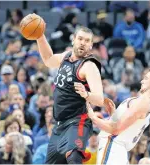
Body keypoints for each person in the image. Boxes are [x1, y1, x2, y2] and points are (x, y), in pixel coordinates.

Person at [23, 13, 104, 164]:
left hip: (77, 121)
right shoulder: (66, 57)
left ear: (91, 46)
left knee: (73, 157)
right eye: (80, 39)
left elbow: (99, 99)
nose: (82, 43)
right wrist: (40, 36)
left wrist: (86, 94)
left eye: (87, 41)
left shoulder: (89, 66)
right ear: (74, 39)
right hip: (59, 125)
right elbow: (48, 60)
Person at [87, 66, 150, 165]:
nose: (142, 81)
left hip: (113, 146)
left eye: (146, 78)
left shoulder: (144, 102)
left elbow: (115, 130)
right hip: (119, 150)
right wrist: (114, 114)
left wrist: (92, 117)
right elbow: (124, 128)